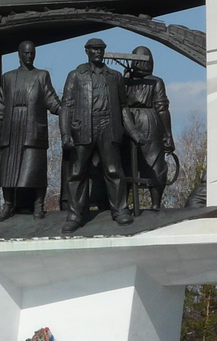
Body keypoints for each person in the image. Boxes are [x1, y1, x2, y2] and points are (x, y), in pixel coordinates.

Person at [59, 37, 133, 234]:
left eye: (101, 49)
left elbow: (123, 106)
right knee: (77, 172)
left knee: (113, 170)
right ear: (87, 51)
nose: (98, 52)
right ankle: (75, 215)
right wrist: (65, 133)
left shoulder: (115, 76)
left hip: (108, 125)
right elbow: (66, 105)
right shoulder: (76, 75)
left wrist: (133, 130)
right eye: (94, 49)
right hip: (83, 127)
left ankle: (119, 210)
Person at [0, 40, 61, 221]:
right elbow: (1, 106)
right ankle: (8, 205)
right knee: (8, 169)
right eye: (26, 53)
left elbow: (51, 100)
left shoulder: (41, 76)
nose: (29, 56)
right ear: (20, 54)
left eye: (32, 53)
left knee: (35, 168)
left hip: (32, 127)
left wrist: (65, 110)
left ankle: (39, 205)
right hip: (12, 127)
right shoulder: (8, 78)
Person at [121, 45, 175, 210]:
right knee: (153, 162)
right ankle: (155, 204)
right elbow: (162, 109)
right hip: (148, 121)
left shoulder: (124, 82)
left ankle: (125, 204)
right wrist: (167, 134)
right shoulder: (155, 81)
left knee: (128, 163)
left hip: (127, 120)